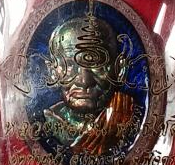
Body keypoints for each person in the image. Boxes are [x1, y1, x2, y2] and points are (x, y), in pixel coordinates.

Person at [44, 8, 134, 156]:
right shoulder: (43, 123)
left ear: (120, 70)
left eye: (96, 64)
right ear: (52, 71)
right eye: (69, 65)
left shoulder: (130, 116)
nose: (84, 81)